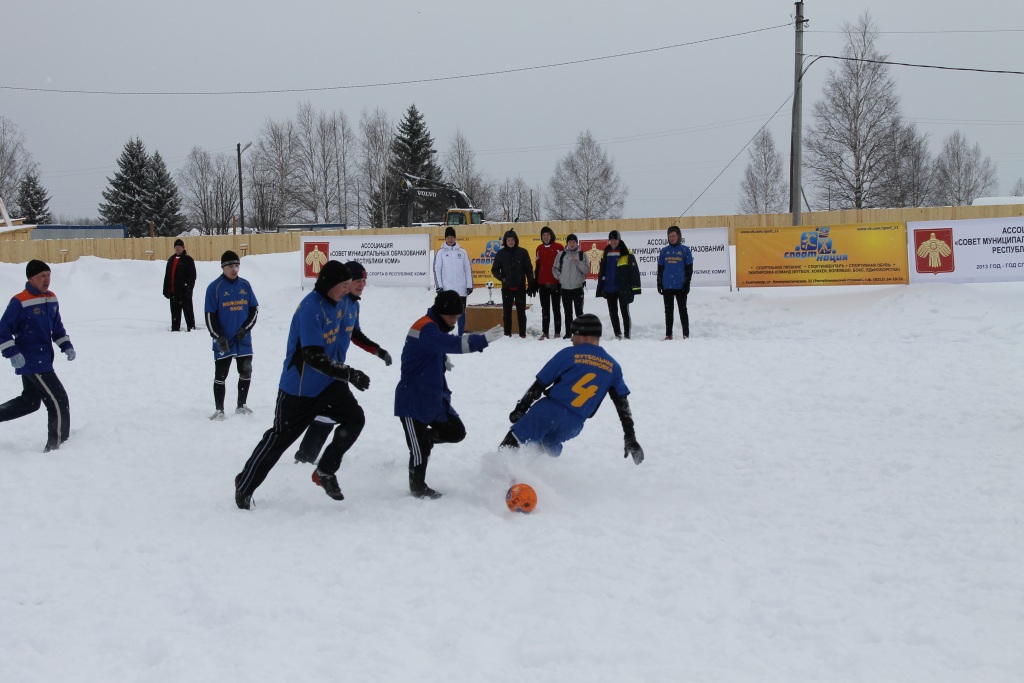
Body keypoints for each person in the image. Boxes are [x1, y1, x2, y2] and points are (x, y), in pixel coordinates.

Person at [234, 261, 370, 510]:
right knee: (278, 441)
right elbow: (313, 356)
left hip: (329, 383)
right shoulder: (311, 309)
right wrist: (349, 373)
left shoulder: (339, 304)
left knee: (355, 419)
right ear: (330, 285)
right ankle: (244, 484)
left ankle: (325, 471)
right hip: (300, 389)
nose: (347, 291)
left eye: (350, 286)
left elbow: (346, 333)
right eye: (344, 286)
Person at [395, 290, 504, 498]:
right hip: (412, 400)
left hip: (434, 399)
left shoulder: (434, 324)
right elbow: (451, 343)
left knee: (456, 432)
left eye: (458, 318)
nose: (455, 323)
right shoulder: (425, 327)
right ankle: (418, 487)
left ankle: (423, 439)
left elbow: (438, 345)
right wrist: (482, 340)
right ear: (441, 312)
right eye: (452, 317)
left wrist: (441, 356)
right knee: (418, 453)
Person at [498, 313, 644, 463]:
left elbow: (540, 384)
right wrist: (630, 436)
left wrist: (521, 408)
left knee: (510, 445)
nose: (572, 339)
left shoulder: (569, 354)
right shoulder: (613, 367)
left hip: (548, 411)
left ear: (585, 336)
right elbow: (622, 403)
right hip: (573, 424)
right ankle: (542, 458)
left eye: (574, 334)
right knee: (542, 446)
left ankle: (501, 474)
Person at [293, 260, 393, 465]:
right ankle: (310, 459)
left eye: (364, 280)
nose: (361, 284)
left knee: (331, 412)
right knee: (340, 413)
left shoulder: (353, 305)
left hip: (336, 368)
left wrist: (377, 350)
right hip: (322, 367)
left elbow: (354, 333)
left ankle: (307, 458)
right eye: (357, 280)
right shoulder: (336, 301)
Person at [0, 260, 76, 452]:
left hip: (43, 358)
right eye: (42, 276)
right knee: (58, 400)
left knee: (30, 402)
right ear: (31, 278)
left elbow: (57, 327)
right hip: (32, 361)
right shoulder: (19, 301)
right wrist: (11, 352)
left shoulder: (51, 298)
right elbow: (3, 331)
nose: (46, 279)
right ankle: (57, 446)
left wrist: (65, 345)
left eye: (48, 275)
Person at [204, 250, 259, 420]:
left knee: (246, 371)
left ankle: (241, 405)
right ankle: (219, 409)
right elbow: (209, 315)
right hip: (224, 340)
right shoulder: (214, 288)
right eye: (230, 266)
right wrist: (218, 336)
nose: (234, 269)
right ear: (223, 267)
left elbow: (254, 310)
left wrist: (245, 329)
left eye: (237, 265)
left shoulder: (245, 285)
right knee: (221, 374)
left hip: (243, 339)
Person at [595, 230, 642, 339]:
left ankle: (626, 335)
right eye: (611, 239)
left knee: (624, 312)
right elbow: (602, 271)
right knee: (613, 313)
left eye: (615, 239)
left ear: (619, 240)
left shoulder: (627, 252)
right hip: (609, 287)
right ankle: (617, 334)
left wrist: (635, 288)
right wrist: (601, 287)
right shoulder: (605, 253)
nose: (613, 242)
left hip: (623, 288)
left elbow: (634, 271)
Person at [490, 229, 536, 338]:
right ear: (505, 241)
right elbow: (494, 270)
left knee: (521, 312)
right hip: (507, 288)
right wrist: (502, 278)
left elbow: (528, 270)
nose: (510, 242)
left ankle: (522, 334)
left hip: (520, 287)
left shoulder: (523, 252)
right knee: (507, 313)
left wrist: (530, 285)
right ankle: (507, 334)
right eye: (508, 240)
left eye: (512, 240)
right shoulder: (501, 254)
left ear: (516, 240)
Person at [433, 226, 474, 335]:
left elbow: (468, 269)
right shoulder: (440, 252)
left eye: (452, 237)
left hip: (461, 289)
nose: (450, 239)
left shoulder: (462, 252)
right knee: (446, 313)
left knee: (461, 312)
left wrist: (469, 285)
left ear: (455, 238)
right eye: (448, 237)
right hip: (447, 289)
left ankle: (460, 334)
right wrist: (439, 286)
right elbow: (436, 269)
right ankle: (444, 334)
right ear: (445, 238)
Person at [657, 225, 695, 340]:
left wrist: (687, 283)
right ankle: (668, 334)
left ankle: (686, 334)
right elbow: (660, 268)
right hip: (667, 285)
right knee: (668, 311)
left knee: (682, 310)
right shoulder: (664, 251)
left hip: (681, 286)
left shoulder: (685, 250)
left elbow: (689, 269)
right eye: (669, 236)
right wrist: (659, 282)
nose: (672, 238)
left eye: (673, 236)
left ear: (678, 236)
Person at [552, 233, 589, 340]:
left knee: (579, 312)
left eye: (574, 242)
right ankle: (568, 333)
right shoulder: (561, 255)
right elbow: (555, 268)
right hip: (565, 288)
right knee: (567, 312)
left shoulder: (582, 254)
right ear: (567, 243)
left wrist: (577, 262)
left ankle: (580, 333)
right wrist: (560, 278)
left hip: (578, 288)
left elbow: (586, 270)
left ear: (576, 243)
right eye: (570, 242)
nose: (572, 244)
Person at [533, 226, 564, 339]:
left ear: (551, 235)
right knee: (545, 309)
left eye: (547, 235)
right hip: (543, 284)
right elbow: (537, 265)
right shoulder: (539, 248)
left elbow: (564, 266)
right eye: (543, 235)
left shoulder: (559, 247)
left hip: (556, 283)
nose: (545, 237)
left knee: (556, 308)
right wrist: (535, 281)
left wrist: (562, 281)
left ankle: (557, 332)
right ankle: (545, 333)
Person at [162, 238, 197, 332]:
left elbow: (192, 277)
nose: (177, 248)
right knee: (175, 313)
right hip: (174, 293)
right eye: (176, 247)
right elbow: (167, 276)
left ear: (183, 247)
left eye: (179, 246)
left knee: (188, 312)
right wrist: (166, 289)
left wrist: (188, 289)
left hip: (185, 292)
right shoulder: (171, 260)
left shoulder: (188, 260)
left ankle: (191, 329)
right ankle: (175, 329)